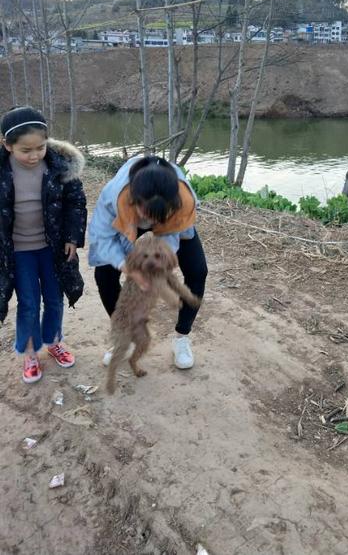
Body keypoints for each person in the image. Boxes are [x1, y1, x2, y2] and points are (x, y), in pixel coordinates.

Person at [88, 155, 207, 369]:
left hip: (170, 219)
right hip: (130, 215)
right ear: (134, 201)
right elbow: (101, 237)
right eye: (148, 217)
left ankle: (181, 338)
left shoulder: (183, 200)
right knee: (104, 274)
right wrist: (127, 267)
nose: (151, 223)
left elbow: (169, 241)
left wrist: (158, 267)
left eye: (156, 218)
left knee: (198, 271)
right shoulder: (115, 196)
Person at [0, 107, 87, 384]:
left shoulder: (59, 166)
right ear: (7, 144)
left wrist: (73, 237)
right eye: (26, 150)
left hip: (52, 248)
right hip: (18, 250)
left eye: (40, 147)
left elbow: (76, 202)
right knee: (28, 302)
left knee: (54, 297)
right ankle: (29, 352)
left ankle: (53, 341)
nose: (34, 155)